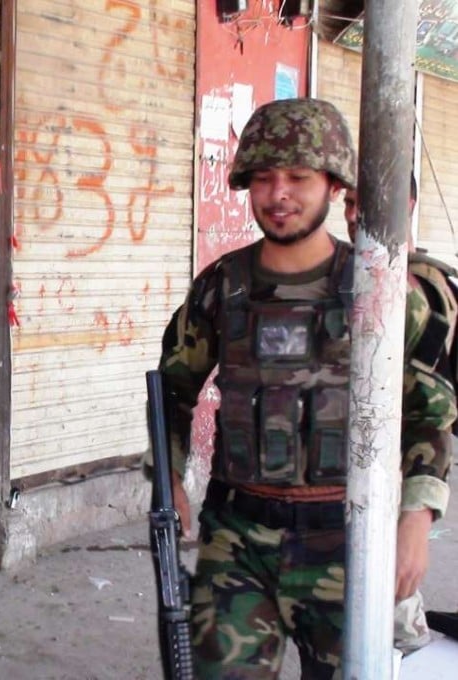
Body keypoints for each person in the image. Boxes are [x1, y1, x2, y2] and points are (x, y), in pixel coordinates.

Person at [156, 98, 455, 678]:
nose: (279, 194)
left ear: (335, 186)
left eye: (298, 177)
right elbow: (172, 388)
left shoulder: (382, 289)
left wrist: (417, 518)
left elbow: (429, 411)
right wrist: (169, 474)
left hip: (348, 540)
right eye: (264, 178)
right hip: (236, 538)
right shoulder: (221, 286)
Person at [344, 175, 458, 655]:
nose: (353, 214)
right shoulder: (353, 274)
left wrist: (417, 512)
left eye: (365, 202)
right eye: (348, 202)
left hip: (392, 471)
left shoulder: (420, 290)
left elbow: (429, 414)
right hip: (347, 475)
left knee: (392, 619)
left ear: (406, 204)